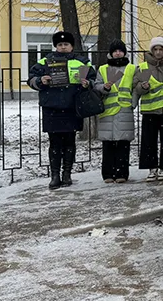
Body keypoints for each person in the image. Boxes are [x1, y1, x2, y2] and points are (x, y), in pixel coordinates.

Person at [28, 31, 96, 189]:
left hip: (72, 107)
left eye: (66, 44)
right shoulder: (45, 62)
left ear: (72, 46)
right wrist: (40, 80)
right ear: (55, 46)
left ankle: (67, 174)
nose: (63, 47)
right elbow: (31, 79)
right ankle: (55, 175)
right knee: (54, 143)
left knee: (70, 142)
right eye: (60, 44)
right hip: (52, 108)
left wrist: (87, 84)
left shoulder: (81, 62)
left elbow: (93, 78)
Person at [94, 40, 137, 183]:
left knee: (123, 143)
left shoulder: (132, 68)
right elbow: (96, 86)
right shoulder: (103, 68)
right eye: (115, 51)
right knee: (108, 144)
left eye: (120, 50)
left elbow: (136, 88)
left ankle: (122, 174)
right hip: (107, 110)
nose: (118, 53)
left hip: (125, 110)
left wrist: (133, 103)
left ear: (124, 52)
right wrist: (104, 88)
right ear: (111, 53)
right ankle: (107, 174)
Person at [138, 37, 163, 181]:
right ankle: (151, 168)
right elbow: (136, 87)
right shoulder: (143, 67)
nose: (158, 52)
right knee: (149, 141)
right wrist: (142, 87)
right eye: (155, 49)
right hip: (150, 110)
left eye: (161, 49)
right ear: (152, 51)